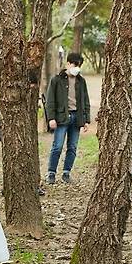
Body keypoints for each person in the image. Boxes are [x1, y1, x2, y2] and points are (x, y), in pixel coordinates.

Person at [45, 52, 91, 184]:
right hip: (61, 117)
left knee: (72, 147)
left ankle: (66, 172)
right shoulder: (56, 80)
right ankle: (51, 173)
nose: (76, 67)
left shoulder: (81, 81)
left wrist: (86, 119)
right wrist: (51, 118)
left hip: (77, 118)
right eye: (74, 64)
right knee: (57, 146)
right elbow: (50, 101)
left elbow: (85, 101)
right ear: (68, 64)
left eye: (79, 65)